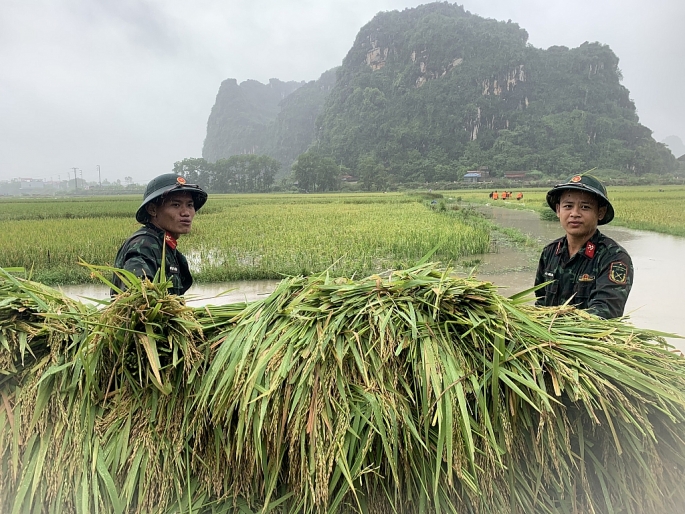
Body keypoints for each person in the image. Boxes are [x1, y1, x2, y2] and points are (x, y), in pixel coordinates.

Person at [534, 174, 632, 319]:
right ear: (558, 210)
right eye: (568, 206)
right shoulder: (550, 252)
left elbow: (606, 312)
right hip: (547, 339)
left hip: (591, 340)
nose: (574, 214)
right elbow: (541, 302)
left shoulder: (613, 257)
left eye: (585, 207)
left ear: (600, 212)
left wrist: (556, 325)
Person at [111, 173, 207, 296]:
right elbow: (137, 295)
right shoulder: (144, 245)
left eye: (190, 205)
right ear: (152, 210)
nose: (186, 213)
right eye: (176, 205)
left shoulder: (164, 245)